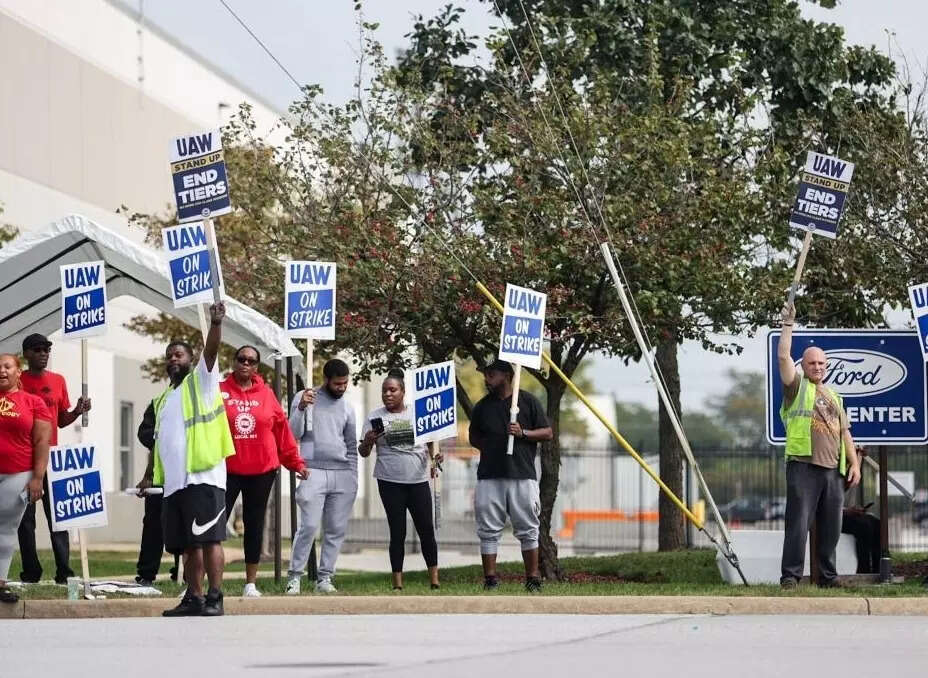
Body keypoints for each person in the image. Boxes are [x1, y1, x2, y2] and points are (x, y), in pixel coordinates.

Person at [153, 302, 236, 617]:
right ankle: (195, 597)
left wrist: (215, 324)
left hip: (203, 476)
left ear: (191, 360)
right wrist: (150, 475)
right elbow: (161, 443)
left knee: (210, 539)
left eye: (179, 355)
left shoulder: (201, 382)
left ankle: (216, 596)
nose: (173, 359)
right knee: (189, 544)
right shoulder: (165, 399)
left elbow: (211, 352)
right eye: (169, 356)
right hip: (175, 483)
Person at [778, 302, 860, 588]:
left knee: (831, 528)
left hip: (833, 471)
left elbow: (845, 432)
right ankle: (790, 576)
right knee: (798, 524)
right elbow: (783, 356)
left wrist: (854, 463)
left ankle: (827, 577)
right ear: (803, 365)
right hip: (803, 465)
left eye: (822, 363)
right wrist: (788, 324)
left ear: (827, 366)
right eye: (812, 363)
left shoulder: (835, 396)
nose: (817, 367)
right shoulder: (796, 387)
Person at [221, 345, 308, 597]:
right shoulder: (219, 391)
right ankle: (200, 581)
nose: (246, 364)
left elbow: (282, 433)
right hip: (227, 469)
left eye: (251, 361)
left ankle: (250, 583)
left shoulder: (267, 394)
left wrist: (296, 463)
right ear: (234, 361)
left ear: (257, 366)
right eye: (242, 359)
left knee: (254, 524)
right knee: (214, 523)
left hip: (261, 471)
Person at [468, 359, 552, 592]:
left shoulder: (527, 401)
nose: (486, 379)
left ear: (506, 375)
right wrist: (490, 446)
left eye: (491, 375)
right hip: (490, 475)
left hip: (522, 474)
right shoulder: (482, 407)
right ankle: (490, 579)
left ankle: (532, 578)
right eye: (485, 375)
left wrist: (523, 433)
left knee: (528, 528)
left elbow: (547, 432)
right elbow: (474, 436)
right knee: (488, 529)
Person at [16, 333, 89, 584]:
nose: (43, 353)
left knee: (59, 517)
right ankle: (31, 572)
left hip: (52, 458)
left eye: (47, 349)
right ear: (26, 354)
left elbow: (61, 420)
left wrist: (77, 411)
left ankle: (64, 572)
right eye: (37, 349)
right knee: (25, 520)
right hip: (24, 459)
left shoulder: (58, 380)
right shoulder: (17, 381)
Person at [359, 369, 441, 591]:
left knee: (426, 530)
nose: (387, 394)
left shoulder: (418, 414)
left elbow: (432, 443)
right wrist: (368, 441)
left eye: (392, 390)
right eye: (384, 390)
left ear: (403, 392)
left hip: (417, 481)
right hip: (389, 481)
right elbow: (363, 452)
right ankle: (397, 583)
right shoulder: (374, 417)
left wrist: (435, 457)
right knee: (398, 532)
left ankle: (434, 580)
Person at [286, 358, 357, 595]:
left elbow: (351, 445)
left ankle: (325, 578)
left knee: (335, 529)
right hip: (312, 471)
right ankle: (294, 577)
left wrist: (353, 478)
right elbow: (292, 434)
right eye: (338, 383)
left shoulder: (347, 407)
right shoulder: (305, 397)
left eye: (345, 383)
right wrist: (301, 408)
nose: (342, 387)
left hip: (342, 473)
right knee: (308, 526)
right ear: (326, 380)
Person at [0, 353, 52, 604]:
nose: (2, 371)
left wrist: (38, 477)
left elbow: (42, 441)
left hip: (18, 473)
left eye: (7, 366)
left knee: (5, 529)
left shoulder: (34, 403)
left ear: (18, 371)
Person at [133, 398, 179, 586]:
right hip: (158, 477)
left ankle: (183, 572)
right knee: (153, 526)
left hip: (186, 477)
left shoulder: (196, 399)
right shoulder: (159, 402)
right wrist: (162, 436)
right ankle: (146, 574)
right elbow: (144, 433)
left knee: (182, 526)